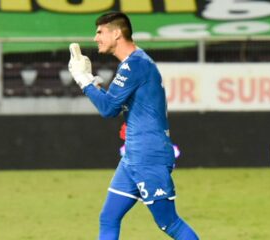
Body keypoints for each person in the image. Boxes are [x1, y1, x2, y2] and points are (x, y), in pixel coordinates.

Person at [68, 12, 199, 240]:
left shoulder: (134, 65)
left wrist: (84, 80)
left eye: (100, 32)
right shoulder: (136, 63)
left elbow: (108, 109)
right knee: (108, 217)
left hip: (149, 156)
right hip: (134, 156)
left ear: (117, 33)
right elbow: (117, 105)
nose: (95, 37)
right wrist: (92, 83)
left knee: (169, 223)